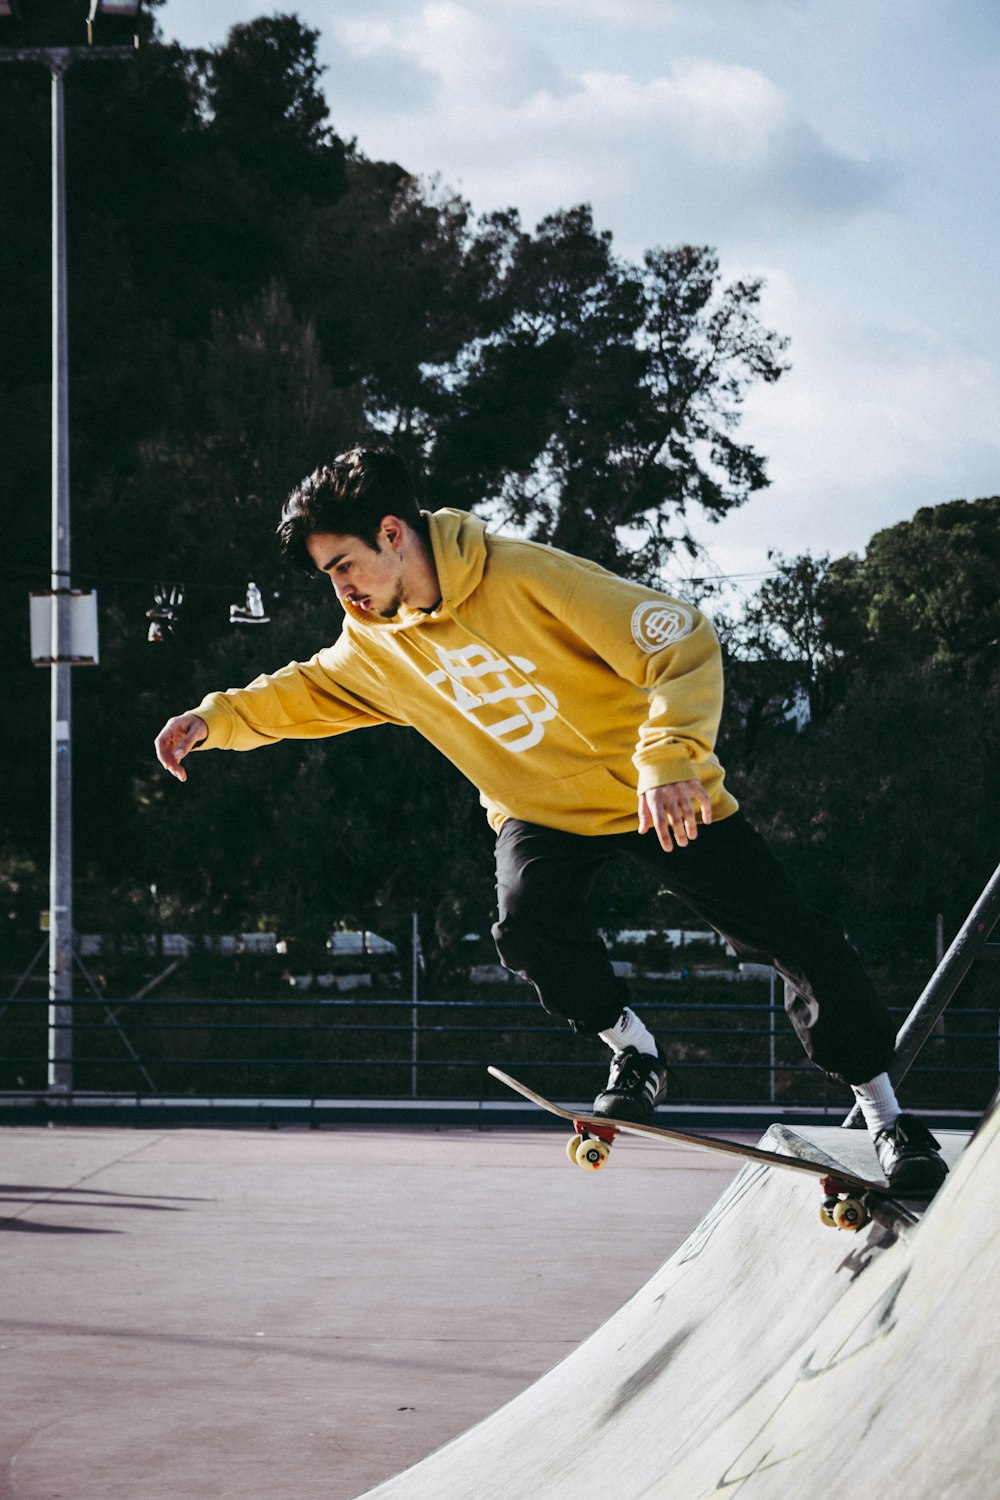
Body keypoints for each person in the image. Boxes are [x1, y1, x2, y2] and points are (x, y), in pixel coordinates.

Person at [155, 446, 947, 1195]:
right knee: (525, 924)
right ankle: (634, 1054)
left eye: (344, 567)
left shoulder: (527, 575)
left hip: (653, 787)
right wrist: (213, 720)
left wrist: (669, 755)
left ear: (392, 534)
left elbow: (681, 638)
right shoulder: (374, 646)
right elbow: (305, 692)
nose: (344, 592)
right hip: (540, 810)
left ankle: (890, 1120)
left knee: (789, 937)